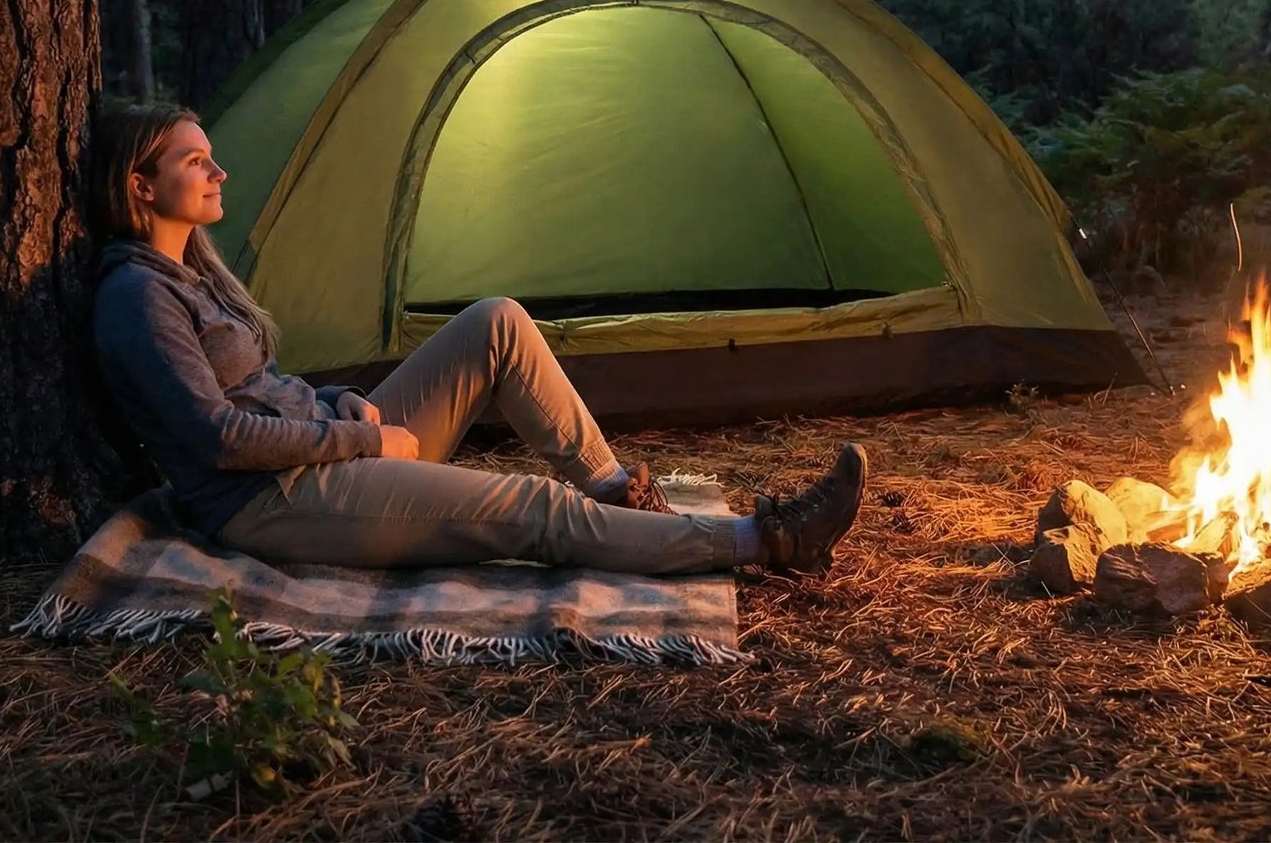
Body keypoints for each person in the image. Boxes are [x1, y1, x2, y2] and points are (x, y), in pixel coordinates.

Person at [88, 102, 867, 577]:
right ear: (140, 184)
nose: (220, 170)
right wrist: (359, 444)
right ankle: (768, 541)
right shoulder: (135, 296)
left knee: (497, 319)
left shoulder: (191, 271)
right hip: (271, 499)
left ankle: (611, 489)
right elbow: (217, 435)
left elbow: (265, 384)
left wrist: (341, 403)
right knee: (530, 508)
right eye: (197, 160)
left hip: (321, 448)